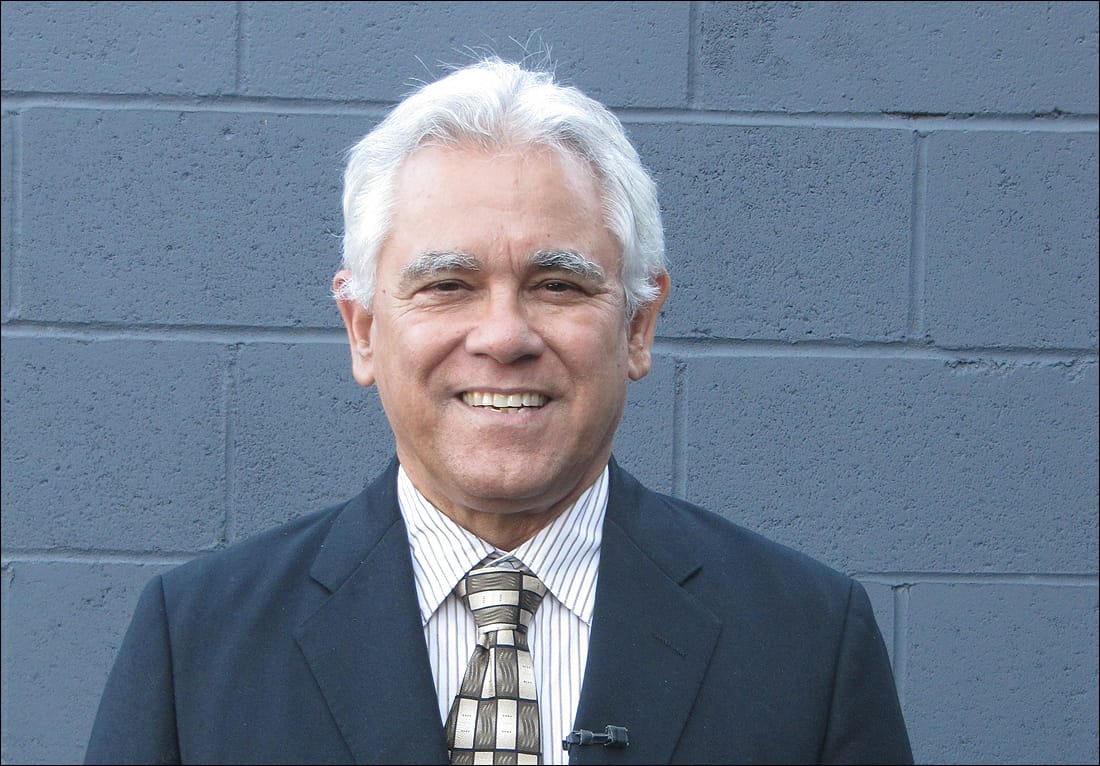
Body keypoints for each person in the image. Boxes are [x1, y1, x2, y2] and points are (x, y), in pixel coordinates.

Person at [85, 58, 913, 765]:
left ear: (637, 325)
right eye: (448, 284)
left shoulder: (807, 643)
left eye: (558, 285)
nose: (505, 336)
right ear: (363, 329)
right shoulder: (197, 645)